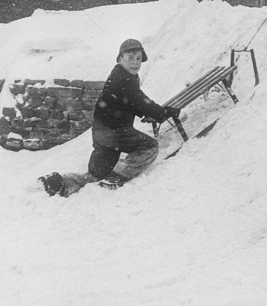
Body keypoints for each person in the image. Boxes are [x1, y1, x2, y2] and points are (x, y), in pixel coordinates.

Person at [39, 38, 180, 196]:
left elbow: (129, 102)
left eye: (138, 58)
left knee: (95, 175)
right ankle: (116, 177)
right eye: (130, 58)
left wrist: (148, 112)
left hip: (101, 133)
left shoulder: (120, 75)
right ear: (120, 59)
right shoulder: (124, 78)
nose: (135, 63)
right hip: (116, 133)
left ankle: (61, 182)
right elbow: (139, 100)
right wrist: (162, 113)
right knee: (150, 147)